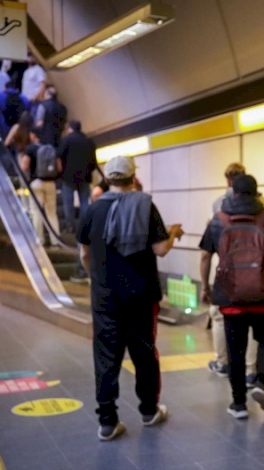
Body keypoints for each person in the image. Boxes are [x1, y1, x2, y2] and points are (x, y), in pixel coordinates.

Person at [77, 155, 184, 441]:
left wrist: (96, 279)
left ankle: (107, 422)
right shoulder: (145, 204)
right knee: (144, 353)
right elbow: (161, 249)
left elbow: (84, 254)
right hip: (141, 295)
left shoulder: (91, 210)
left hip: (105, 297)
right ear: (133, 176)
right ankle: (149, 411)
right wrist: (173, 232)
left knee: (106, 357)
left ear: (108, 178)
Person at [199, 174, 264, 420]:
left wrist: (205, 288)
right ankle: (261, 384)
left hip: (231, 299)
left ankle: (238, 404)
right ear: (257, 193)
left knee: (235, 350)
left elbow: (205, 256)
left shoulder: (218, 220)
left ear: (231, 192)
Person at [207, 162, 264, 383]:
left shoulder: (219, 204)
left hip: (228, 275)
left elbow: (209, 246)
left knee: (219, 318)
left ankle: (222, 362)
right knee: (257, 324)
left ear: (228, 180)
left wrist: (207, 285)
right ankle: (251, 370)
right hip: (257, 275)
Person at [19, 128, 62, 247]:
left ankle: (40, 240)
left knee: (36, 211)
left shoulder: (30, 148)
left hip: (36, 183)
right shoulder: (50, 148)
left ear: (33, 135)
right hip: (50, 183)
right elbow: (59, 167)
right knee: (52, 213)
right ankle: (55, 240)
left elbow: (24, 166)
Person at [57, 120, 97, 233]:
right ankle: (85, 226)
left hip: (68, 176)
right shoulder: (89, 141)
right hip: (85, 176)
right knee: (85, 202)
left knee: (68, 203)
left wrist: (60, 172)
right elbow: (94, 162)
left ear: (69, 128)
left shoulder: (66, 140)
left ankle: (70, 226)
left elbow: (59, 156)